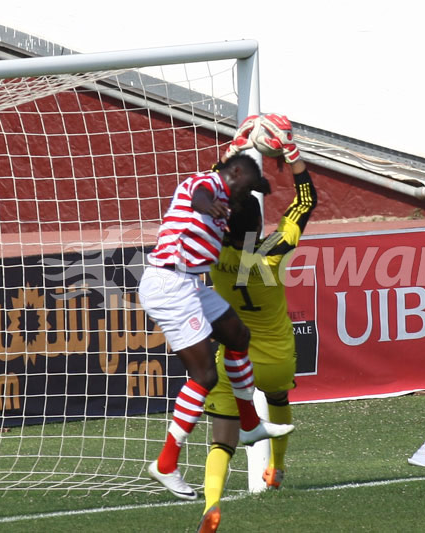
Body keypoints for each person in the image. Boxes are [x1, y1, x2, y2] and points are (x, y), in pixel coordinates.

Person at [137, 120, 294, 501]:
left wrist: (256, 177)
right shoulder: (201, 186)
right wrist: (216, 201)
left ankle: (251, 423)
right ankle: (166, 463)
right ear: (234, 174)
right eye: (242, 189)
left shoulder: (231, 198)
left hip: (190, 282)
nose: (240, 200)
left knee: (238, 336)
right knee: (205, 374)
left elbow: (235, 199)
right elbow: (199, 196)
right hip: (169, 284)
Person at [196, 114, 316, 533]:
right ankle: (277, 469)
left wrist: (231, 151)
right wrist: (292, 155)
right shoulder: (272, 252)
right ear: (260, 226)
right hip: (277, 355)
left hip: (234, 356)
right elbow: (305, 204)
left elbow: (206, 195)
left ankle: (212, 502)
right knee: (279, 399)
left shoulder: (212, 253)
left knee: (222, 438)